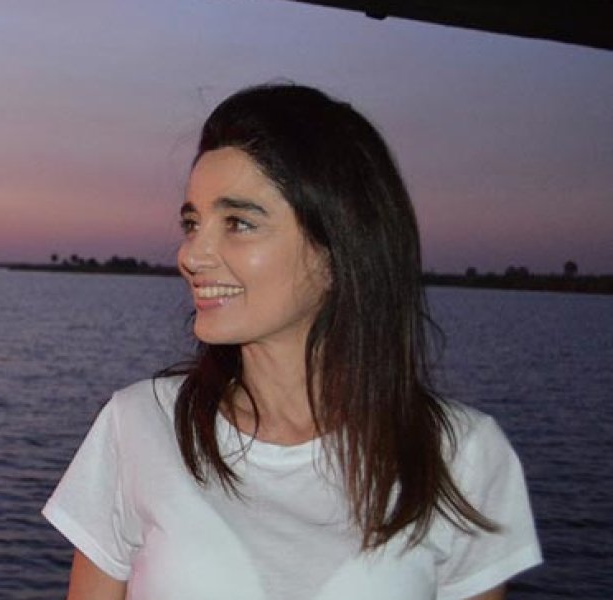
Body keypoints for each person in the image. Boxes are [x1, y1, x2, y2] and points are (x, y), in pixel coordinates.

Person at [42, 83, 541, 600]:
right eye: (192, 223)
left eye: (238, 223)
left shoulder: (461, 456)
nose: (190, 254)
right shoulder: (138, 427)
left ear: (338, 250)